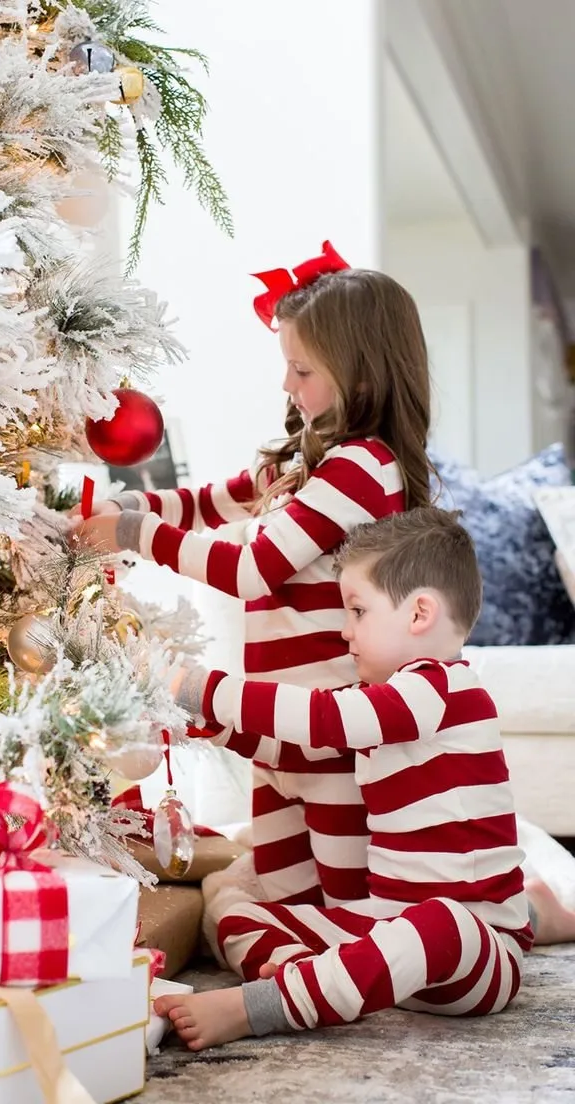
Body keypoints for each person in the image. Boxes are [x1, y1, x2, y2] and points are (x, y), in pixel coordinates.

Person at [70, 240, 433, 908]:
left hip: (328, 738)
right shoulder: (306, 463)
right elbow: (212, 501)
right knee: (281, 897)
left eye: (301, 370)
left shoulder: (363, 468)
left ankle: (512, 914)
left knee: (353, 907)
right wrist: (131, 504)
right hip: (279, 739)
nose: (287, 386)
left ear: (358, 378)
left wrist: (134, 535)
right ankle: (281, 952)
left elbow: (252, 569)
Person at [154, 507, 535, 1050]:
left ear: (419, 613)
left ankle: (262, 1005)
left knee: (438, 924)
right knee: (229, 904)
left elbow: (318, 718)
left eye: (357, 611)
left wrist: (196, 686)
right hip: (384, 929)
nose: (344, 630)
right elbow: (293, 744)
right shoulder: (381, 703)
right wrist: (203, 726)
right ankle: (307, 980)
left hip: (474, 950)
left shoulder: (442, 690)